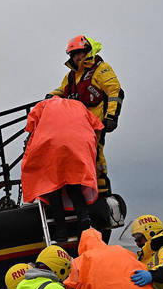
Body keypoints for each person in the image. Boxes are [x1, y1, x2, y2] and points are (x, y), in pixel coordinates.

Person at [49, 35, 123, 199]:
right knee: (74, 161)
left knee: (96, 159)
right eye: (74, 54)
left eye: (80, 53)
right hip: (75, 128)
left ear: (87, 51)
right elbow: (63, 90)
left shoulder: (101, 69)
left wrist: (111, 117)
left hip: (94, 124)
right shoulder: (71, 76)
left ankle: (103, 197)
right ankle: (80, 197)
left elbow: (115, 91)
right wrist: (50, 97)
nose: (77, 57)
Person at [22, 96, 104, 239]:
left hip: (52, 145)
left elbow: (31, 125)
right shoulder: (79, 105)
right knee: (74, 184)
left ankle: (61, 230)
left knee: (52, 188)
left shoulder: (42, 105)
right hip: (78, 145)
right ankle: (83, 218)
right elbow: (97, 125)